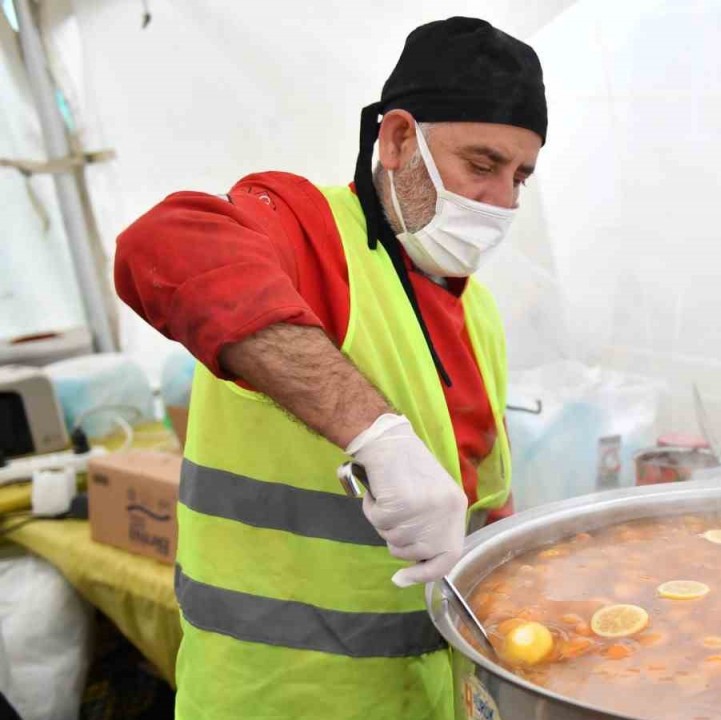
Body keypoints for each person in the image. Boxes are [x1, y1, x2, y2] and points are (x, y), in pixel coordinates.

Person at [113, 17, 546, 719]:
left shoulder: (480, 312)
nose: (503, 204)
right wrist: (376, 433)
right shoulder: (308, 233)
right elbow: (162, 245)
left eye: (521, 177)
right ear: (400, 138)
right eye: (482, 164)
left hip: (428, 697)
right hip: (278, 698)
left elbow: (490, 510)